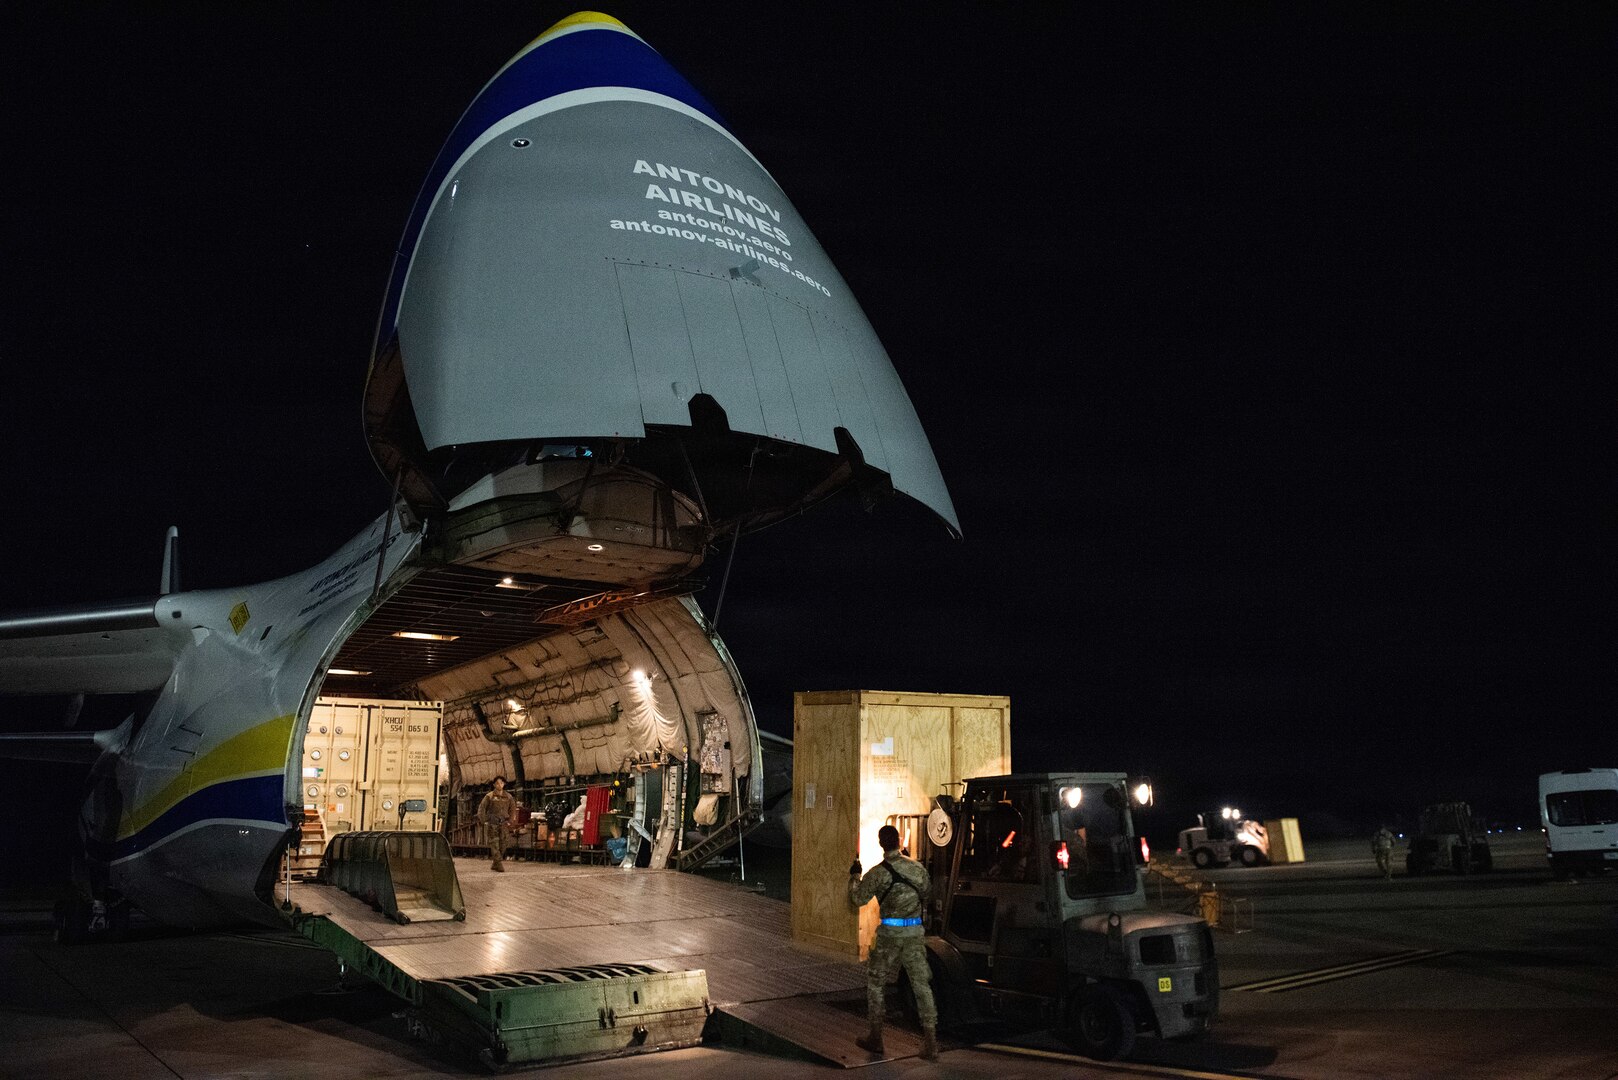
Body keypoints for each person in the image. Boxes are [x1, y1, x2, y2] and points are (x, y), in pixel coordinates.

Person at [848, 825, 938, 1061]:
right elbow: (928, 892)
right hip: (914, 933)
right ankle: (930, 1042)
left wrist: (855, 876)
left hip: (889, 934)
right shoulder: (916, 868)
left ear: (880, 843)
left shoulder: (877, 873)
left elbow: (858, 898)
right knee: (921, 985)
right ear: (899, 841)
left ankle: (876, 1037)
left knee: (876, 982)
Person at [478, 776, 517, 872]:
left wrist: (510, 821)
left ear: (504, 784)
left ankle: (495, 863)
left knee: (503, 844)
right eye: (497, 783)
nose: (499, 785)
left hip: (504, 823)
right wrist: (484, 821)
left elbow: (512, 810)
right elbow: (481, 809)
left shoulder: (509, 797)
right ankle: (499, 864)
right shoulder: (489, 796)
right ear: (494, 785)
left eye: (501, 783)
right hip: (492, 823)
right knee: (494, 843)